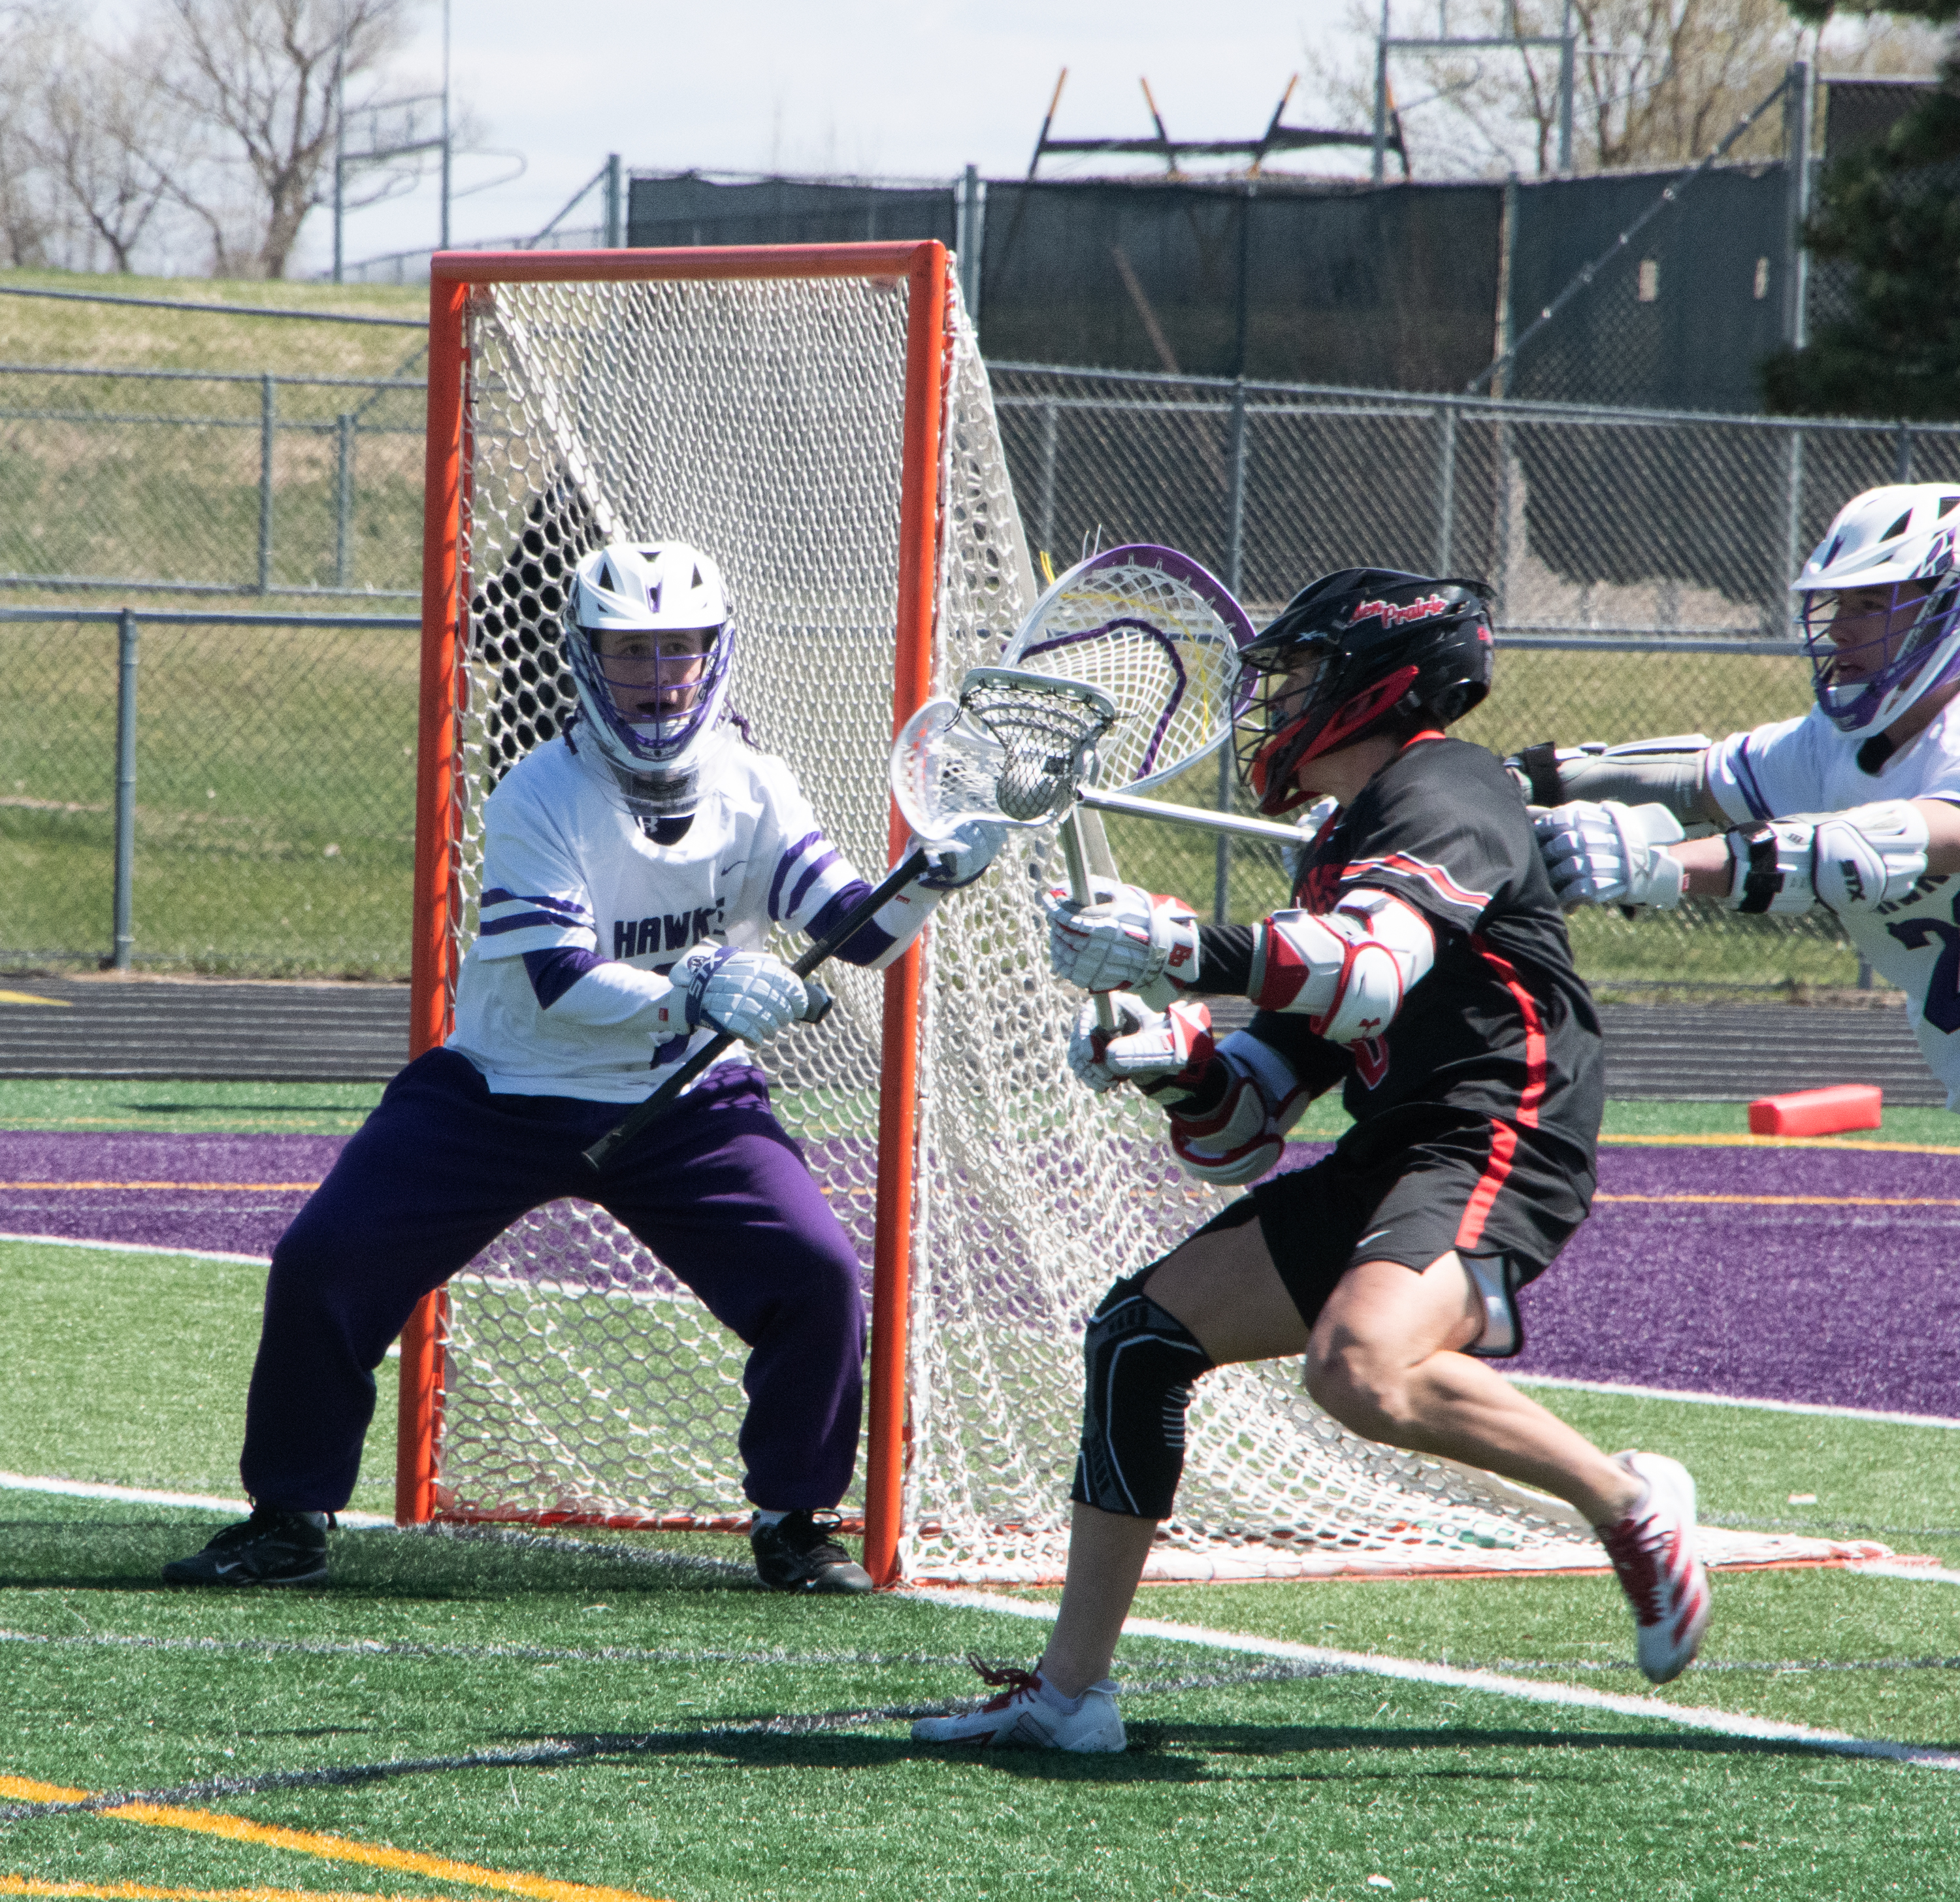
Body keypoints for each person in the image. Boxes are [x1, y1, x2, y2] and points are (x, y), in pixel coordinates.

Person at [912, 566, 1710, 1754]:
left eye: (1302, 675)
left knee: (1359, 1369)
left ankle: (1629, 1500)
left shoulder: (1445, 782)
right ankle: (1070, 1695)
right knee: (1138, 1339)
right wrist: (1171, 1056)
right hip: (1397, 1145)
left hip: (1501, 1128)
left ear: (1375, 682)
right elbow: (1241, 1129)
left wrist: (1184, 945)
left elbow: (1370, 970)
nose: (1280, 703)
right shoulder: (1340, 848)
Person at [164, 540, 1002, 1596]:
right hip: (501, 1092)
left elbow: (856, 933)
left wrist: (929, 878)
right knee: (324, 1263)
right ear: (585, 657)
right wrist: (698, 990)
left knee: (817, 1276)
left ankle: (796, 1521)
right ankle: (287, 1515)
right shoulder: (537, 792)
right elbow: (560, 977)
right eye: (631, 651)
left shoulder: (757, 785)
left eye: (679, 649)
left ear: (715, 652)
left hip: (687, 1106)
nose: (658, 675)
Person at [1518, 483, 1960, 1107]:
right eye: (1840, 603)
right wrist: (1486, 784)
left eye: (1871, 602)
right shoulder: (1834, 743)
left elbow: (1868, 850)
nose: (1839, 630)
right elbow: (1691, 780)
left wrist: (1659, 868)